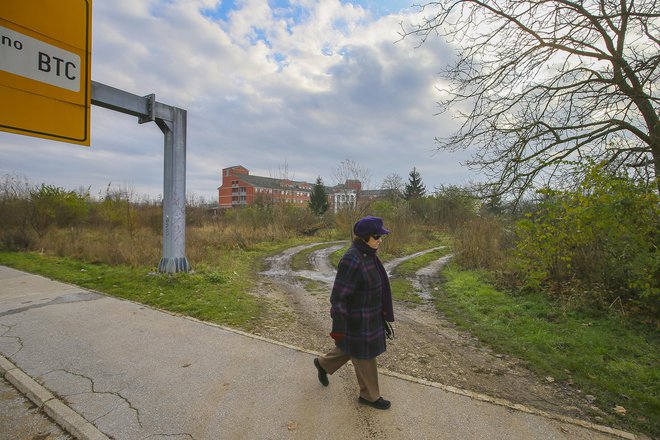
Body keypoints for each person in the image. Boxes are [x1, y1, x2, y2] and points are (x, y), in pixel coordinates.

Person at [313, 215, 395, 410]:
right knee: (365, 355)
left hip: (370, 317)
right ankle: (369, 396)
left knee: (349, 349)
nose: (380, 240)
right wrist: (339, 327)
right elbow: (339, 297)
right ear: (366, 237)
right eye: (377, 237)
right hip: (357, 320)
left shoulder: (369, 254)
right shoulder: (352, 259)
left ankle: (323, 364)